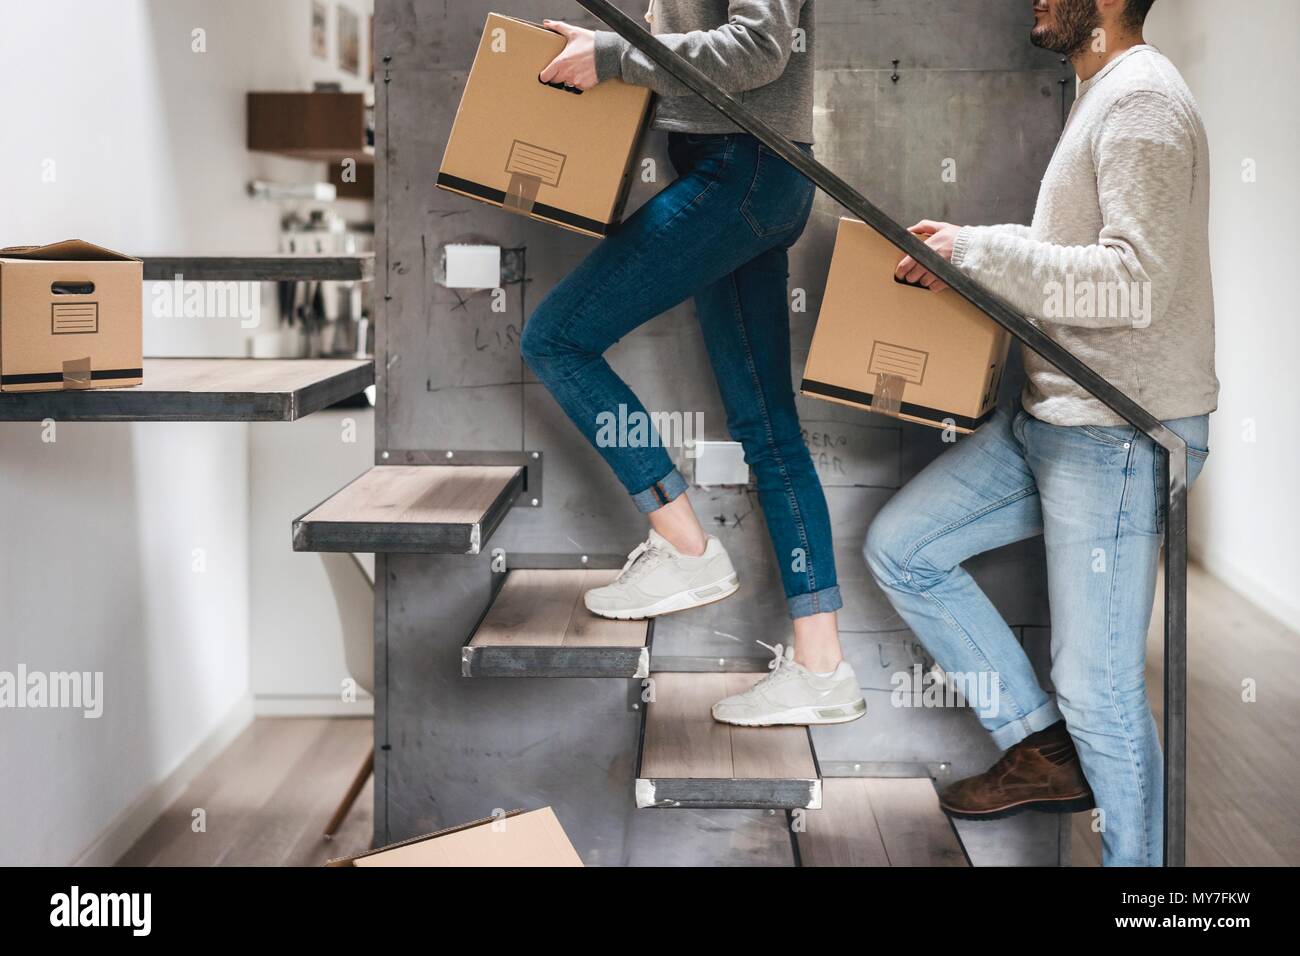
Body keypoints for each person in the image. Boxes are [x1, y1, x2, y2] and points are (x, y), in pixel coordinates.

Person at [863, 0, 1217, 866]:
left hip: (1119, 432)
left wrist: (981, 257)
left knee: (1098, 693)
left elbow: (1133, 287)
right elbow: (1073, 251)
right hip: (1051, 419)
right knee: (904, 548)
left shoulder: (1143, 104)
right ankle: (1044, 749)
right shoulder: (1097, 92)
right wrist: (970, 247)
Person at [523, 1, 866, 727]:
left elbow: (761, 48)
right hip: (743, 171)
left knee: (556, 340)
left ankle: (686, 545)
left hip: (741, 170)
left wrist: (612, 55)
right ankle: (822, 667)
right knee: (768, 430)